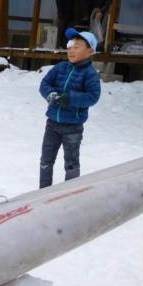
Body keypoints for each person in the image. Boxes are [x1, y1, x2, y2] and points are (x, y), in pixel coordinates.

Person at [38, 28, 101, 189]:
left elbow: (93, 96)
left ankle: (69, 193)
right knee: (46, 160)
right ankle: (43, 192)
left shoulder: (90, 74)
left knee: (71, 164)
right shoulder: (61, 67)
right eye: (69, 45)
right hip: (52, 124)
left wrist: (69, 98)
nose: (71, 50)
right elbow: (44, 84)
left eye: (77, 46)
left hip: (73, 127)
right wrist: (50, 94)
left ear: (90, 51)